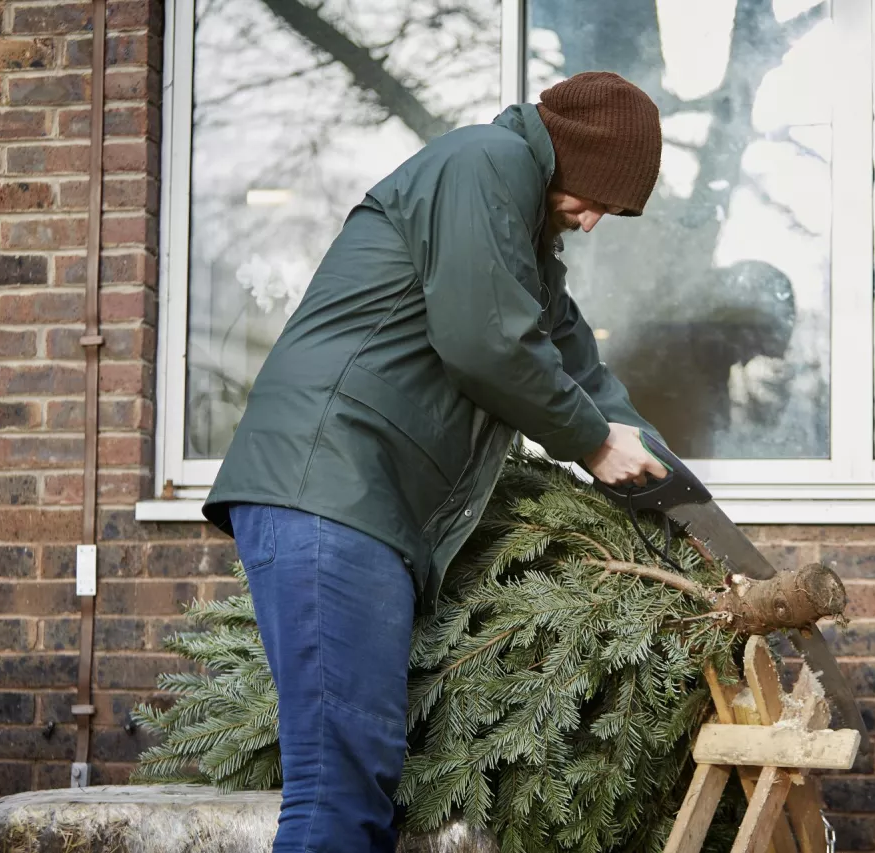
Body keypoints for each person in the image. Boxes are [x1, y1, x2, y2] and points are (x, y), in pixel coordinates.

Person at [203, 71, 670, 853]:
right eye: (598, 199)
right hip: (331, 483)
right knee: (339, 789)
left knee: (364, 776)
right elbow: (488, 343)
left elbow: (573, 360)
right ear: (576, 156)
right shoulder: (484, 165)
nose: (592, 223)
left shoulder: (522, 235)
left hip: (366, 503)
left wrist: (658, 466)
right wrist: (592, 442)